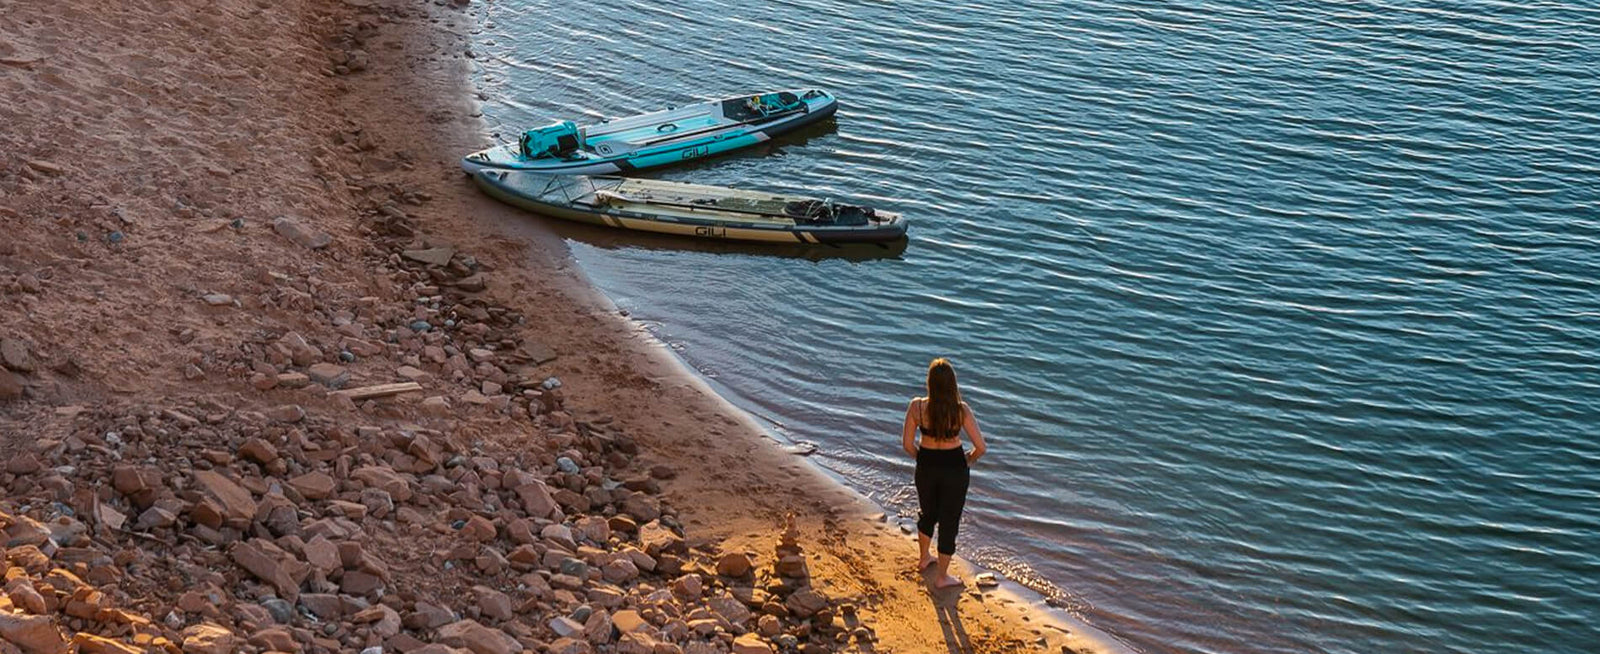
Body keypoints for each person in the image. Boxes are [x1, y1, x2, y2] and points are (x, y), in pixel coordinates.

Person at [901, 357, 987, 588]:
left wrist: (924, 459)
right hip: (954, 468)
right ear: (953, 384)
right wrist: (968, 460)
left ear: (929, 382)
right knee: (949, 521)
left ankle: (923, 558)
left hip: (927, 464)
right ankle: (942, 577)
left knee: (927, 513)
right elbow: (981, 447)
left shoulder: (917, 406)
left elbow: (908, 444)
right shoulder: (961, 410)